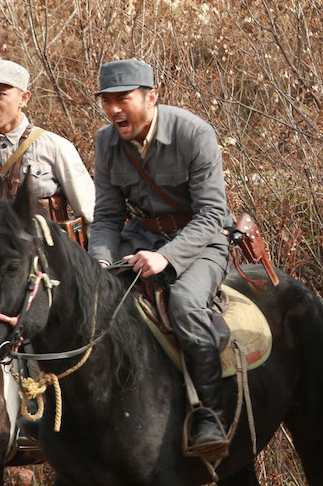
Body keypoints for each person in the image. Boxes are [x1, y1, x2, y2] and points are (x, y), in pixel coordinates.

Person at [89, 58, 236, 460]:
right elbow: (106, 217)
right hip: (141, 236)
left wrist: (166, 258)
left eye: (123, 99)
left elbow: (211, 216)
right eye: (107, 101)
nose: (114, 109)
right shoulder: (106, 142)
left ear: (152, 97)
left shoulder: (194, 134)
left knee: (185, 303)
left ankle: (210, 414)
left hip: (202, 241)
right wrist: (98, 264)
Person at [0, 60, 95, 263]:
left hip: (52, 266)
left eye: (0, 94)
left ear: (23, 98)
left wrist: (95, 266)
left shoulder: (55, 147)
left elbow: (90, 214)